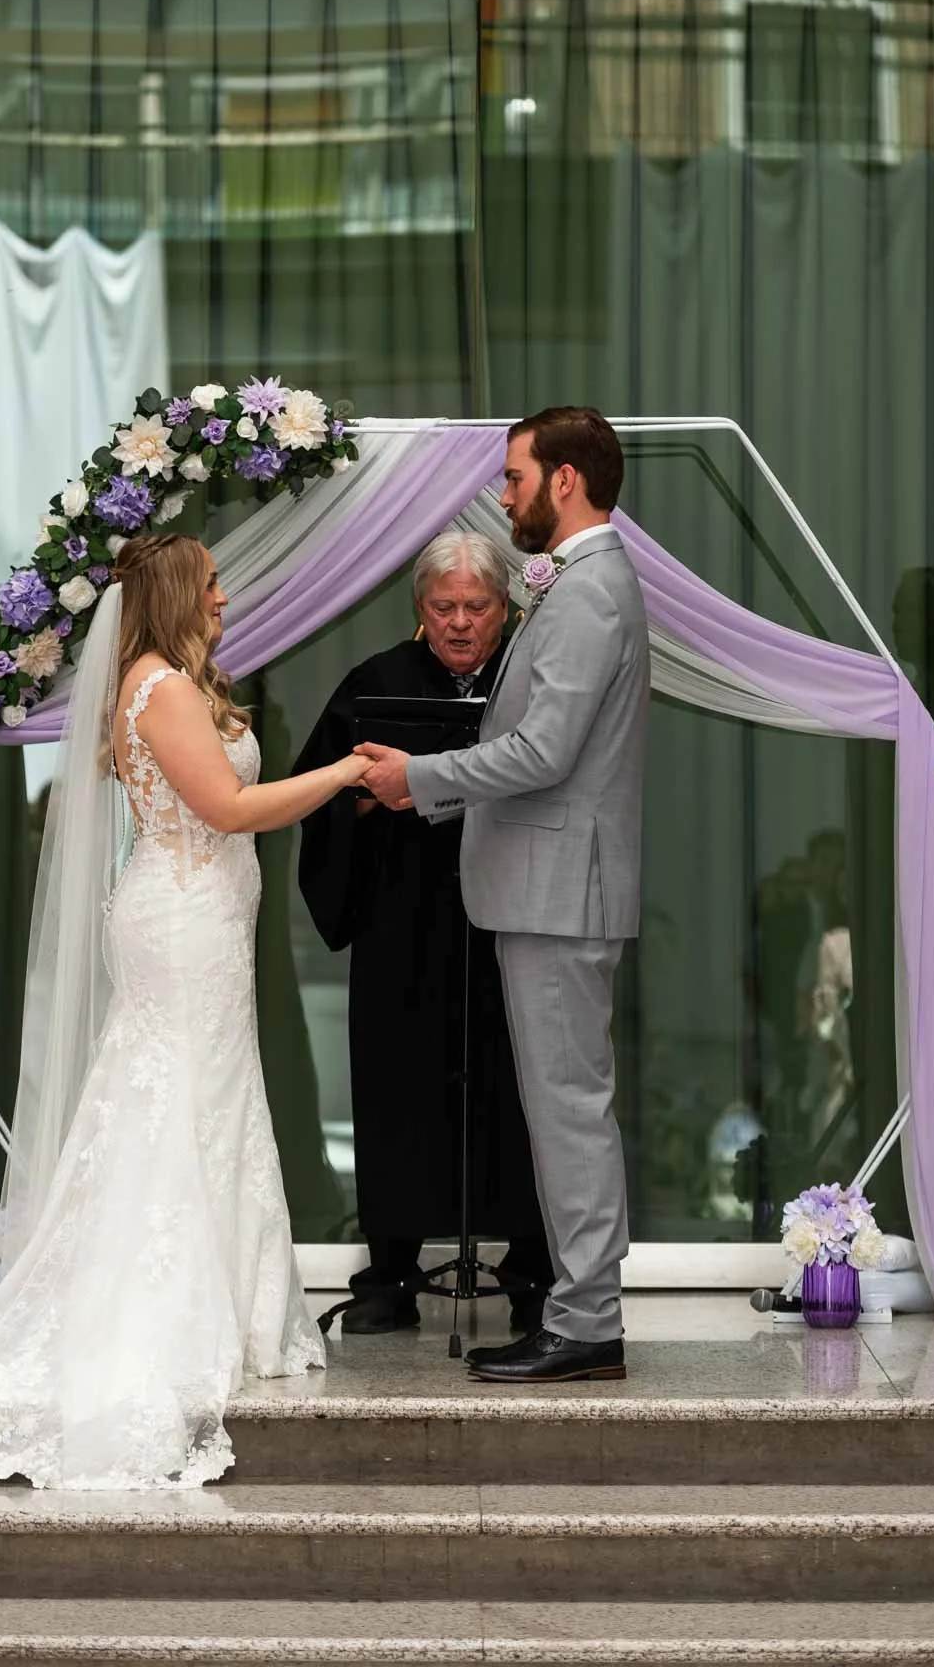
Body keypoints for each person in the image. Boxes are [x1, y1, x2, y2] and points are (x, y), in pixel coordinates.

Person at [0, 533, 370, 1487]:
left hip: (203, 918)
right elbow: (226, 809)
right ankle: (164, 1310)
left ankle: (233, 1300)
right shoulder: (163, 689)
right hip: (181, 917)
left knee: (209, 1094)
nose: (225, 600)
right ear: (179, 592)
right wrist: (343, 775)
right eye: (214, 586)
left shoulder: (168, 680)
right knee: (178, 1097)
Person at [360, 408, 649, 1385]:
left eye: (517, 476)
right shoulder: (575, 586)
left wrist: (421, 780)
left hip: (559, 895)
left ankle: (587, 1322)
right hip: (549, 889)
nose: (507, 492)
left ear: (565, 480)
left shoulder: (589, 592)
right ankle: (580, 1311)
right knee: (564, 1106)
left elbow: (544, 751)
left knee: (568, 1109)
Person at [294, 532, 552, 1336]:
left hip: (510, 916)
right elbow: (323, 799)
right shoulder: (373, 683)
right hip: (404, 921)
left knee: (519, 1094)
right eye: (445, 608)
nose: (461, 623)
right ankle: (392, 1272)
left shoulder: (535, 680)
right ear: (421, 608)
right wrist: (365, 796)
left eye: (478, 607)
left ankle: (533, 1272)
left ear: (505, 609)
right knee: (395, 1090)